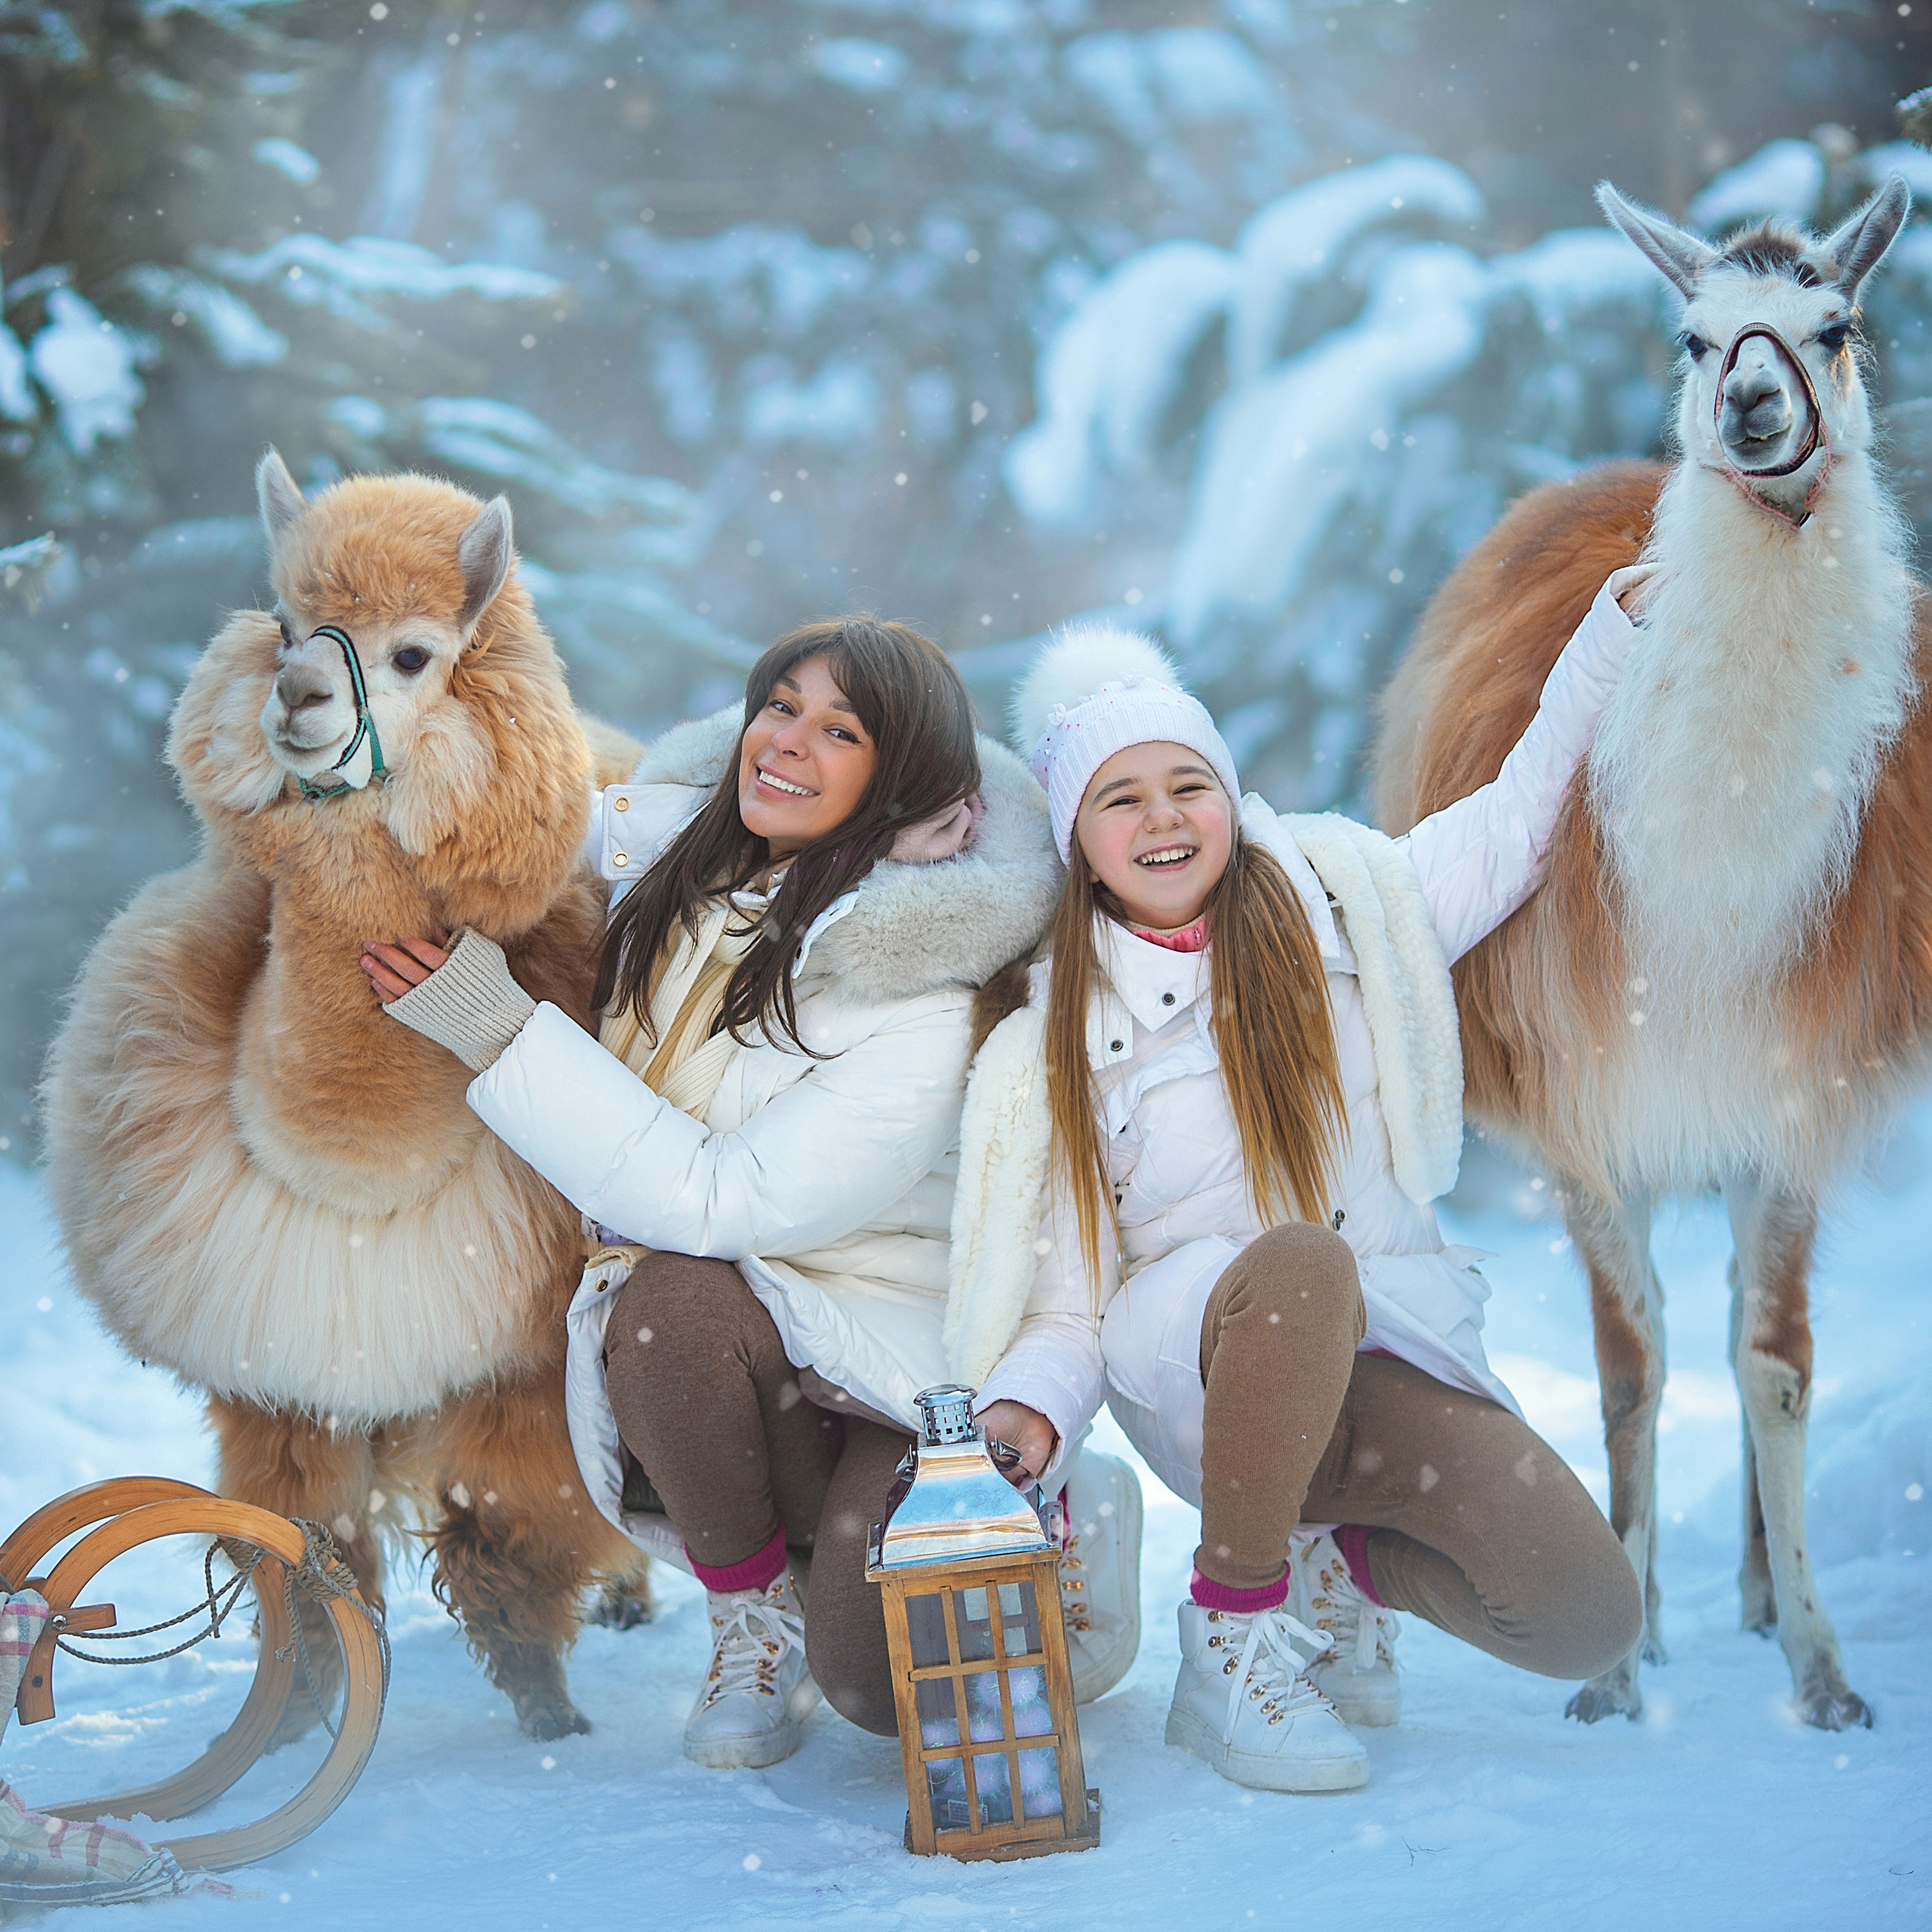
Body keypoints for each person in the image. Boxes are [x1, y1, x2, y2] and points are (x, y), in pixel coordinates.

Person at [361, 616, 1140, 1772]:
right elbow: (490, 806)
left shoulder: (921, 982)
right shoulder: (674, 875)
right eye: (779, 705)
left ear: (907, 778)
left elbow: (723, 1199)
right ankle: (755, 1607)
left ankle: (1042, 1535)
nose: (786, 742)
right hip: (737, 1345)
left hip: (890, 1365)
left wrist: (501, 1032)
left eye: (842, 730)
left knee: (883, 1695)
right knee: (669, 1305)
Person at [950, 574, 1651, 1795]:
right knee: (1297, 1267)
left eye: (1188, 785)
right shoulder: (1054, 1038)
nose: (1163, 819)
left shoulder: (1351, 908)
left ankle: (1339, 1567)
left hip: (1378, 1349)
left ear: (1228, 796)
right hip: (1204, 1378)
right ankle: (1229, 1630)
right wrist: (1033, 1412)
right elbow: (1065, 1303)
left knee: (1586, 1614)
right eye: (1122, 799)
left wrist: (1608, 638)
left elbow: (1523, 819)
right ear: (1080, 841)